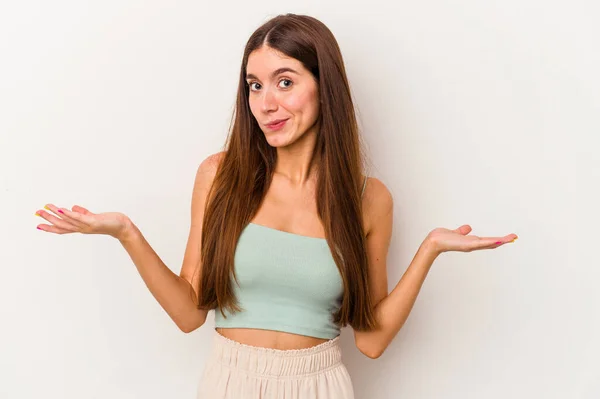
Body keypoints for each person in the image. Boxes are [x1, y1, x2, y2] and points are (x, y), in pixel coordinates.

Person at [34, 13, 517, 399]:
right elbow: (188, 314)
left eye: (285, 81)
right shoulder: (220, 175)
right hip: (229, 382)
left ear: (323, 88)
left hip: (320, 386)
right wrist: (126, 233)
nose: (265, 102)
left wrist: (430, 248)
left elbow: (370, 342)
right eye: (254, 85)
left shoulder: (369, 199)